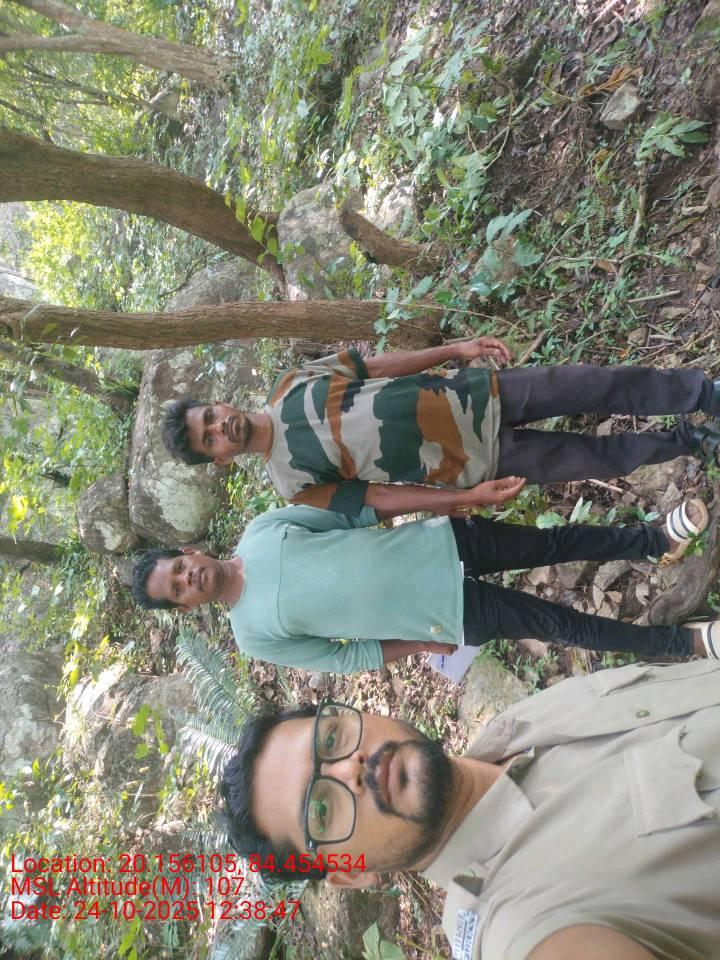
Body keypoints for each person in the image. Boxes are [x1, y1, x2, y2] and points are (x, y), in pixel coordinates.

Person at [220, 658, 720, 959]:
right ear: (349, 873)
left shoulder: (516, 726)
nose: (350, 767)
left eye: (331, 739)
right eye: (321, 809)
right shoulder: (516, 924)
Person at [131, 498, 719, 671]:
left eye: (178, 569)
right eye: (177, 589)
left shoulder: (263, 530)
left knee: (552, 543)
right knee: (559, 625)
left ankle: (652, 540)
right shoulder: (254, 636)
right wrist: (419, 644)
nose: (188, 578)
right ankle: (682, 643)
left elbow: (357, 514)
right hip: (445, 612)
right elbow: (345, 657)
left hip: (443, 543)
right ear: (184, 606)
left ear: (188, 552)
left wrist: (444, 502)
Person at [161, 338, 720, 517]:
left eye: (209, 416)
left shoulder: (290, 384)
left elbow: (377, 367)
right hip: (475, 462)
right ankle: (689, 441)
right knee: (595, 459)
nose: (220, 427)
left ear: (216, 403)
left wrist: (455, 349)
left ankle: (702, 395)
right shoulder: (293, 485)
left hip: (477, 393)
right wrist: (465, 498)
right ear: (218, 459)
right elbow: (379, 498)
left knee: (595, 384)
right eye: (210, 439)